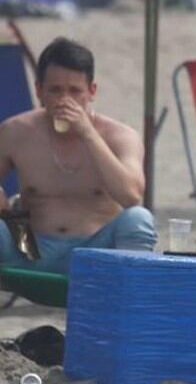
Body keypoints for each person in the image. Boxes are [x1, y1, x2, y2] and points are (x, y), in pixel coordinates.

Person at [0, 38, 156, 273]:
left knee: (138, 218)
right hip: (31, 248)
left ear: (92, 91)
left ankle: (130, 290)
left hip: (95, 251)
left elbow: (131, 196)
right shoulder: (16, 131)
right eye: (55, 90)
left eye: (75, 91)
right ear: (39, 90)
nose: (65, 100)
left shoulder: (120, 136)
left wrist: (88, 133)